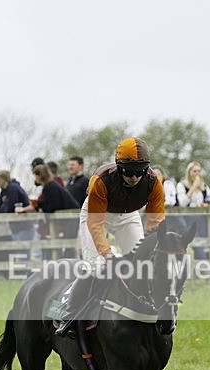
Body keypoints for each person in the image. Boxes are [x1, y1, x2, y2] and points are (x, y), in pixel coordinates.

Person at [55, 137, 165, 338]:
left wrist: (152, 248)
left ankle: (145, 311)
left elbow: (155, 223)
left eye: (140, 172)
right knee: (96, 267)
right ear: (119, 167)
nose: (134, 177)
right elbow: (96, 225)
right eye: (129, 172)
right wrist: (107, 254)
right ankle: (69, 314)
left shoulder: (153, 182)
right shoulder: (101, 180)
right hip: (97, 215)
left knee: (143, 264)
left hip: (128, 215)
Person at [20, 164, 80, 258]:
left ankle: (68, 265)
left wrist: (39, 206)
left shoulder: (50, 187)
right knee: (67, 245)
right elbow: (50, 203)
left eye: (35, 176)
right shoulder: (50, 186)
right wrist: (39, 205)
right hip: (70, 218)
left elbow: (53, 205)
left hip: (71, 217)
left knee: (69, 246)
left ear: (39, 176)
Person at [0, 170, 34, 269]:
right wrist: (5, 207)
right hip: (15, 227)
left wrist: (5, 207)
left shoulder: (13, 188)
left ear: (3, 179)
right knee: (18, 254)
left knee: (23, 254)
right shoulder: (4, 191)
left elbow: (10, 208)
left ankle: (26, 273)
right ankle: (22, 273)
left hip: (24, 227)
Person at [176, 161, 210, 259]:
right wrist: (193, 187)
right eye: (194, 171)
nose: (197, 173)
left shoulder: (204, 187)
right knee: (197, 245)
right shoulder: (181, 185)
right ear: (189, 172)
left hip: (202, 218)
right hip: (188, 219)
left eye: (199, 171)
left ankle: (201, 267)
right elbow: (182, 203)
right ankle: (205, 265)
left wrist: (207, 204)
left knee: (203, 244)